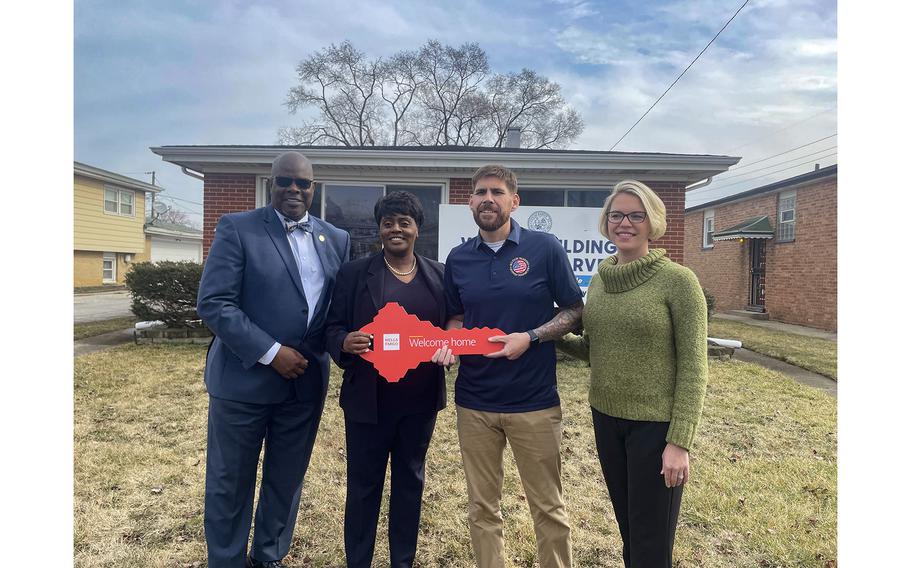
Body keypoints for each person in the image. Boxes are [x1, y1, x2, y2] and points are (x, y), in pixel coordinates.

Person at [197, 151, 351, 568]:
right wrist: (271, 353)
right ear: (272, 184)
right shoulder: (238, 228)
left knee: (286, 480)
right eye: (285, 181)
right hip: (243, 382)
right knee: (230, 482)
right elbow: (215, 303)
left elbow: (339, 310)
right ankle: (227, 561)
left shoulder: (336, 239)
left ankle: (269, 556)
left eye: (303, 183)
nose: (294, 190)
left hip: (304, 385)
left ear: (313, 188)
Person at [432, 164, 583, 568]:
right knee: (483, 507)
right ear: (469, 202)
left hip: (534, 402)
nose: (488, 199)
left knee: (548, 507)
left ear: (514, 201)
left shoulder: (544, 248)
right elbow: (457, 317)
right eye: (480, 192)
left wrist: (530, 336)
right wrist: (450, 341)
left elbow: (573, 310)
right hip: (475, 403)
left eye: (497, 192)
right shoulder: (459, 258)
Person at [557, 180, 708, 568]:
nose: (625, 223)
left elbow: (694, 367)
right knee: (629, 529)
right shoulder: (603, 279)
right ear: (606, 222)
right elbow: (593, 349)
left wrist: (680, 442)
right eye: (616, 215)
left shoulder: (678, 281)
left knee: (651, 543)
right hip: (606, 420)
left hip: (655, 429)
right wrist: (545, 334)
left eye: (635, 215)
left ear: (653, 221)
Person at [325, 191, 447, 568]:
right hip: (368, 401)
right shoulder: (354, 274)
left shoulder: (439, 276)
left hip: (420, 400)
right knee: (363, 488)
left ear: (417, 230)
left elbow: (452, 327)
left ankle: (403, 562)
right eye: (388, 222)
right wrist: (344, 341)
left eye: (404, 222)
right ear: (380, 229)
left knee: (410, 484)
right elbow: (330, 327)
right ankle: (358, 561)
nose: (396, 229)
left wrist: (450, 347)